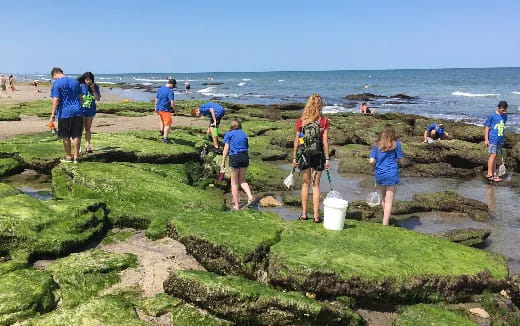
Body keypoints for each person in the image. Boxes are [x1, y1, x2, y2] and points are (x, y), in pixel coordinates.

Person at [292, 93, 330, 223]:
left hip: (303, 154)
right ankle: (316, 216)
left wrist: (294, 158)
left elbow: (297, 140)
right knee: (316, 185)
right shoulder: (323, 121)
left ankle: (303, 214)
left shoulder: (302, 120)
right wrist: (327, 158)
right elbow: (325, 141)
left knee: (305, 184)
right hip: (318, 154)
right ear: (320, 105)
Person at [369, 124, 403, 226]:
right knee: (389, 201)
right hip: (392, 174)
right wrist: (401, 163)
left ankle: (386, 220)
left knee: (384, 198)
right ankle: (385, 224)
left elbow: (371, 161)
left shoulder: (376, 145)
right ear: (392, 134)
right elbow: (401, 160)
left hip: (380, 174)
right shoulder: (397, 144)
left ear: (382, 133)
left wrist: (374, 166)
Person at [49, 67, 83, 164]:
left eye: (53, 78)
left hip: (65, 112)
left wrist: (53, 114)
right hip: (77, 111)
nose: (54, 79)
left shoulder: (57, 83)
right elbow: (80, 98)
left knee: (65, 135)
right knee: (77, 134)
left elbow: (56, 100)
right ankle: (76, 157)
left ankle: (69, 157)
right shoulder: (75, 82)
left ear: (55, 74)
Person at [220, 119, 255, 210]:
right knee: (242, 180)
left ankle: (236, 205)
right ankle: (250, 196)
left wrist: (222, 162)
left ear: (231, 127)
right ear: (240, 126)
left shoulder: (229, 134)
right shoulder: (243, 134)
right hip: (244, 156)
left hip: (235, 157)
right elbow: (246, 147)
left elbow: (226, 149)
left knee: (234, 183)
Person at [484, 101, 508, 182]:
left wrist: (502, 139)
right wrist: (486, 139)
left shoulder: (505, 116)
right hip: (493, 139)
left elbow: (502, 128)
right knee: (492, 156)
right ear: (499, 108)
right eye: (502, 110)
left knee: (496, 157)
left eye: (505, 110)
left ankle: (494, 174)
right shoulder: (492, 116)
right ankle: (489, 174)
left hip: (500, 139)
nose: (504, 111)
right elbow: (487, 127)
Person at [78, 72, 101, 153]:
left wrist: (93, 90)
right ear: (84, 80)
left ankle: (87, 146)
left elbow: (98, 99)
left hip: (90, 111)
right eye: (87, 80)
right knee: (80, 129)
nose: (88, 81)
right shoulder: (81, 86)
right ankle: (78, 147)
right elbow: (78, 98)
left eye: (90, 79)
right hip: (81, 110)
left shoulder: (95, 87)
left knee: (88, 129)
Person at [155, 79, 176, 143]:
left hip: (159, 108)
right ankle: (165, 138)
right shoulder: (170, 92)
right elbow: (172, 103)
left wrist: (155, 107)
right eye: (174, 86)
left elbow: (156, 98)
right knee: (168, 124)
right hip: (165, 110)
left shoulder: (160, 89)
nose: (173, 87)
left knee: (162, 120)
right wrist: (175, 110)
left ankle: (161, 132)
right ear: (172, 84)